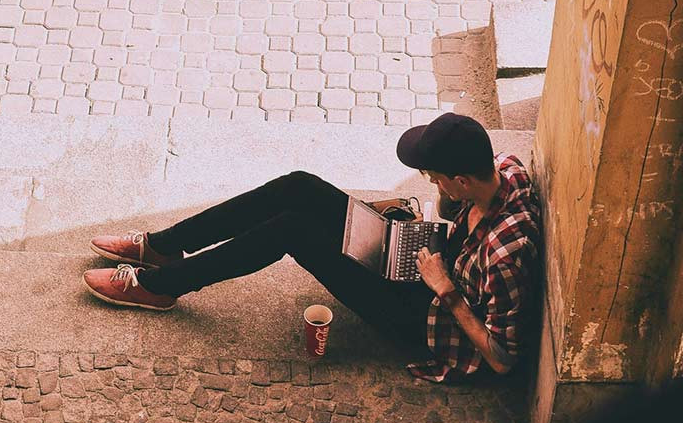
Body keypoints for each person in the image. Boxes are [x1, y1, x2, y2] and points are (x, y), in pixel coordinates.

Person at [82, 112, 542, 383]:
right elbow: (454, 201)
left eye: (436, 177)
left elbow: (502, 359)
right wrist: (422, 212)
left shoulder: (507, 254)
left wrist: (445, 289)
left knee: (294, 230)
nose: (432, 183)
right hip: (427, 261)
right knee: (299, 187)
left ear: (462, 179)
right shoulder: (503, 168)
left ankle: (161, 286)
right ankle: (165, 246)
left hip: (424, 316)